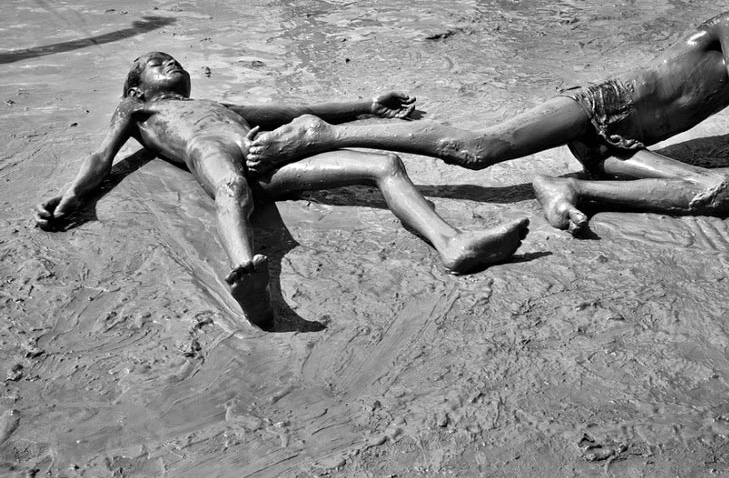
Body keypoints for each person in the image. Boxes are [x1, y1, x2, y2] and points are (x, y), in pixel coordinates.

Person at [245, 0, 729, 236]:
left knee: (718, 191)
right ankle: (321, 135)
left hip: (618, 146)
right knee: (477, 151)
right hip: (602, 105)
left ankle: (568, 189)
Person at [35, 52, 530, 329]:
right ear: (136, 88)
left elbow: (293, 107)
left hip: (262, 156)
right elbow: (103, 157)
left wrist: (368, 103)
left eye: (173, 60)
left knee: (384, 163)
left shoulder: (219, 102)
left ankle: (452, 244)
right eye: (155, 62)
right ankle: (248, 281)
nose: (169, 63)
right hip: (209, 151)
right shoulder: (137, 110)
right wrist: (76, 196)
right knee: (230, 187)